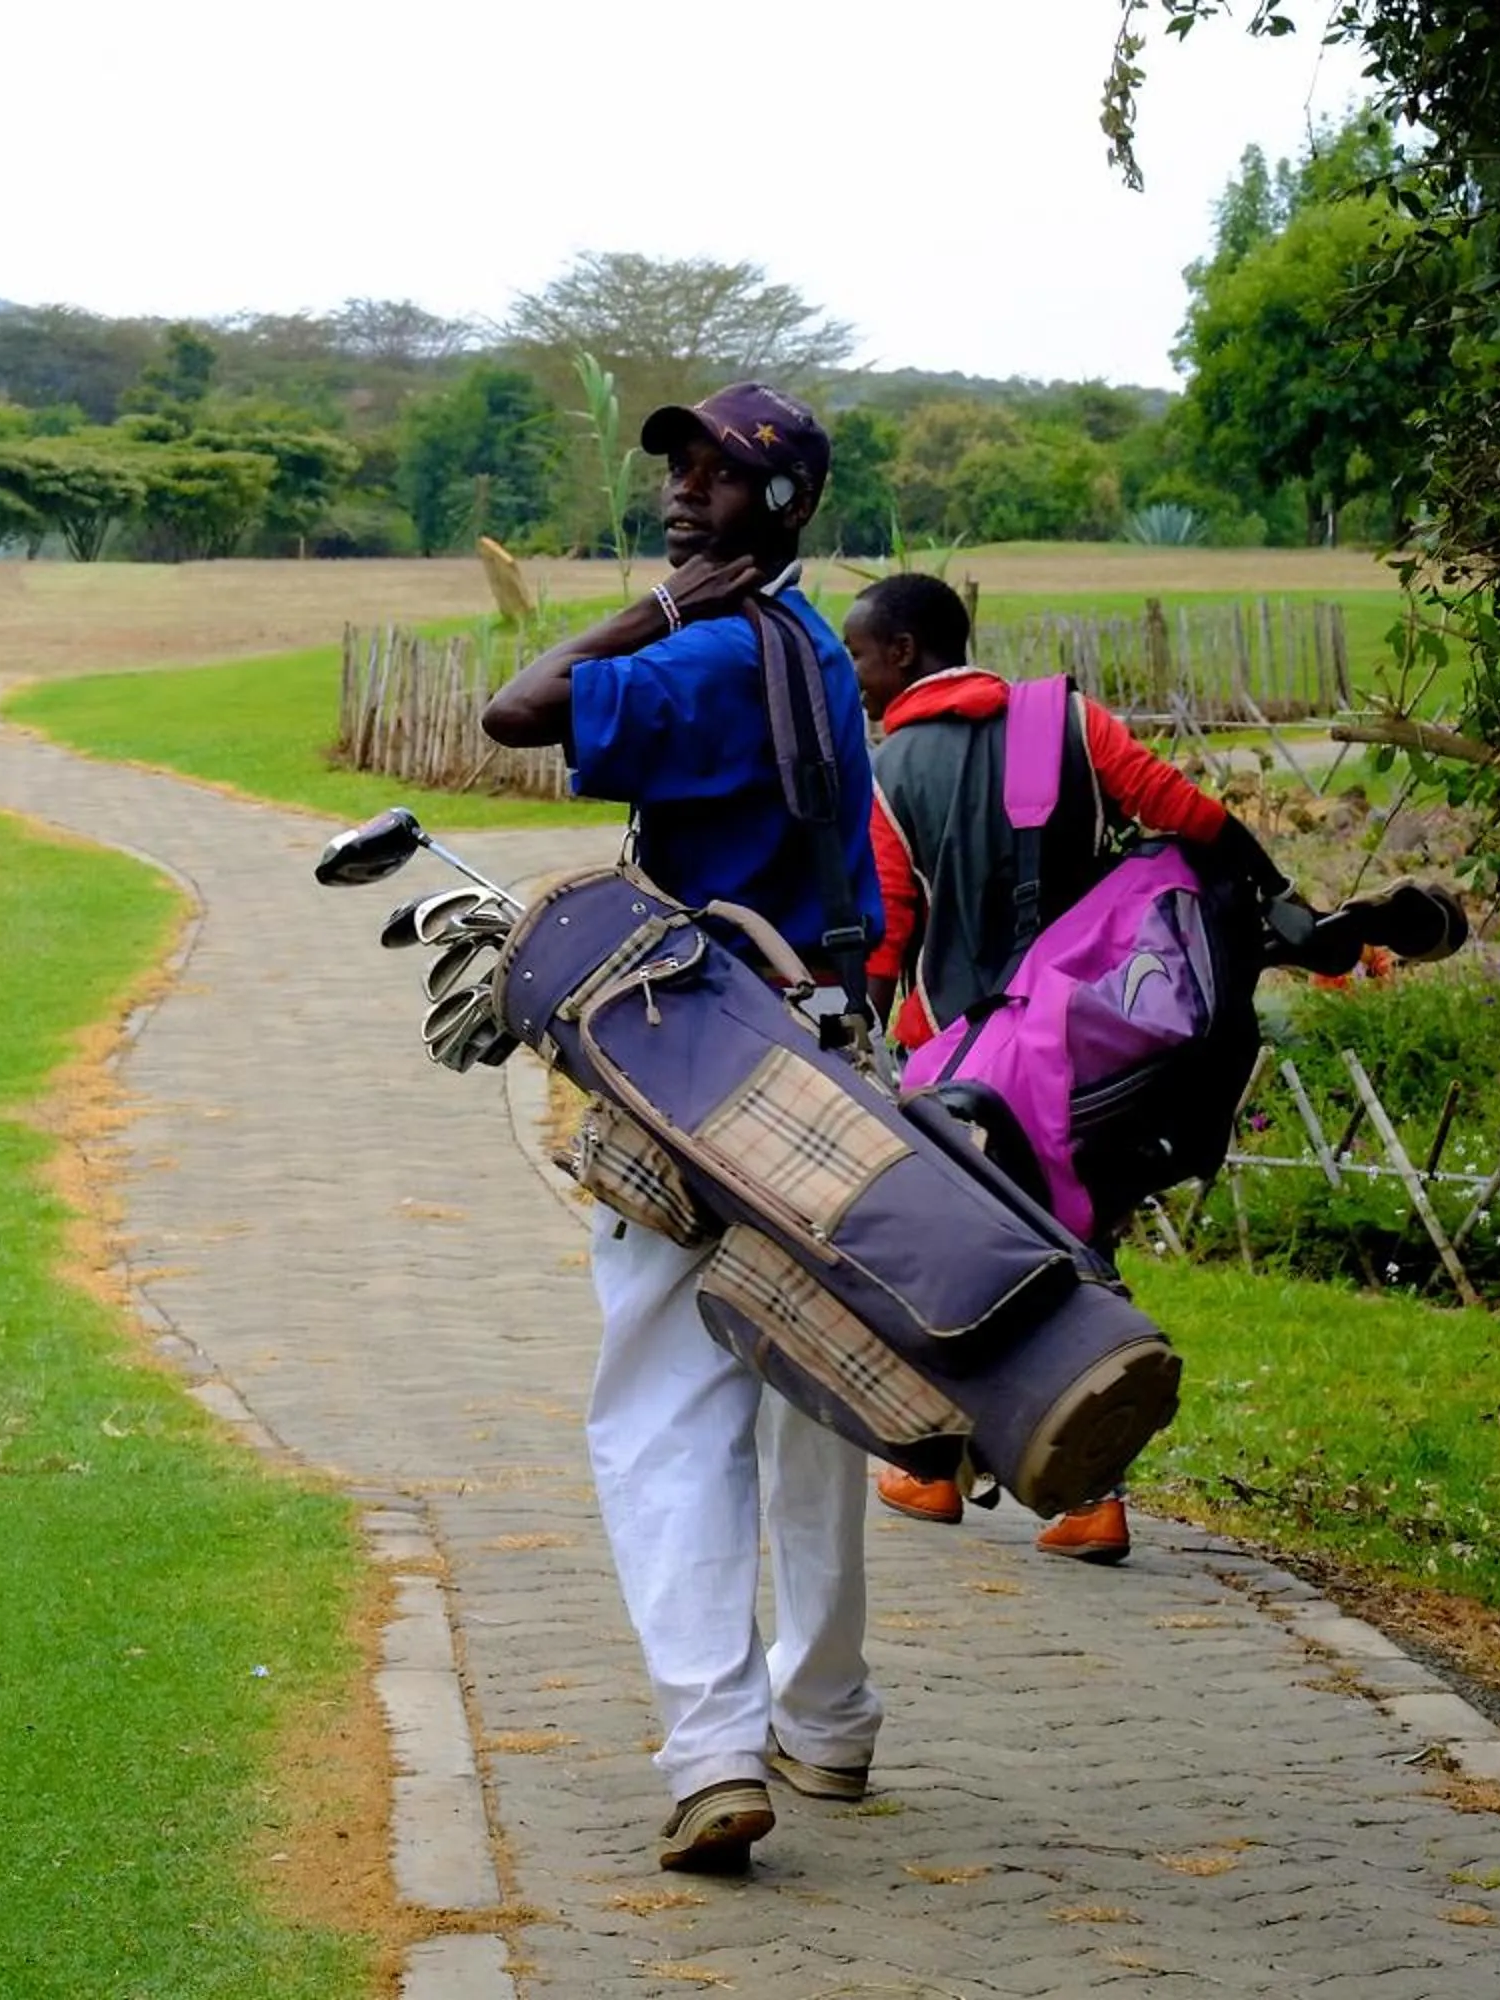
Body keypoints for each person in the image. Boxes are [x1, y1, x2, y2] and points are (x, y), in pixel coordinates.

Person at [485, 382, 886, 1872]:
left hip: (701, 1059)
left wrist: (652, 607)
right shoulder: (816, 642)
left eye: (718, 476)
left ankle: (715, 1747)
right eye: (679, 470)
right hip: (833, 1049)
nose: (682, 494)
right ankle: (827, 1715)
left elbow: (517, 707)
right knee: (816, 1383)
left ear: (783, 506)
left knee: (664, 1399)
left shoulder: (712, 651)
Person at [844, 571, 1259, 1564]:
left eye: (860, 654)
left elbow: (887, 930)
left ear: (903, 652)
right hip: (1087, 1049)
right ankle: (1086, 1495)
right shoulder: (1068, 720)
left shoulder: (892, 770)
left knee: (951, 1257)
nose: (854, 675)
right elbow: (1186, 813)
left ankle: (938, 1468)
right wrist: (1271, 897)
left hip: (961, 1061)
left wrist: (862, 1032)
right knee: (1080, 1243)